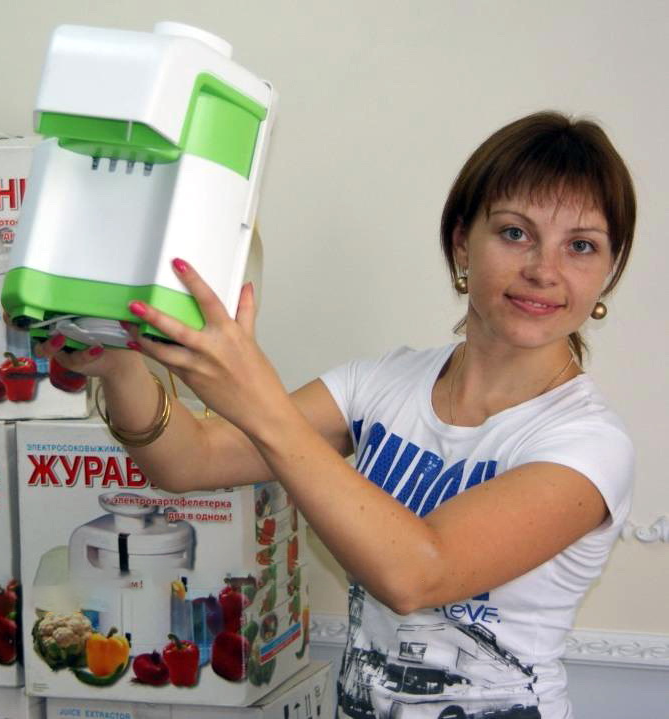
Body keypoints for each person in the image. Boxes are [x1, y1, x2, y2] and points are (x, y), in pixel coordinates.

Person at [36, 111, 636, 719]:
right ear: (462, 243)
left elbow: (418, 575)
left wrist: (257, 400)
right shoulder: (381, 383)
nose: (543, 270)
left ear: (608, 271)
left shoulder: (589, 443)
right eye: (514, 233)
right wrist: (120, 367)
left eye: (581, 246)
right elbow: (190, 461)